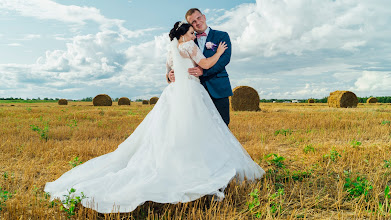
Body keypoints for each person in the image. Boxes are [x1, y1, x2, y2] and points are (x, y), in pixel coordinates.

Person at [44, 21, 265, 214]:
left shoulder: (171, 50)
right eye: (190, 33)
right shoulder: (188, 46)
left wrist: (171, 76)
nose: (193, 37)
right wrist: (219, 52)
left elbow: (169, 74)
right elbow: (206, 64)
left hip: (174, 92)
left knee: (168, 131)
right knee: (199, 131)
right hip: (190, 93)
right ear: (183, 35)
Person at [167, 8, 233, 126]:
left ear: (204, 17)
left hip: (218, 87)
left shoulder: (221, 36)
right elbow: (178, 62)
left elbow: (225, 59)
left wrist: (204, 72)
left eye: (199, 18)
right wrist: (171, 74)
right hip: (196, 91)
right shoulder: (189, 39)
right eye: (193, 22)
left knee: (223, 126)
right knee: (200, 127)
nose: (197, 22)